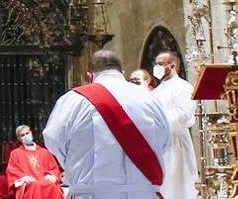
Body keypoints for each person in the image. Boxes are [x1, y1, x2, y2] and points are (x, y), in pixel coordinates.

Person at [43, 49, 170, 198]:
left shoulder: (72, 100)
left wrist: (77, 164)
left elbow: (54, 140)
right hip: (143, 193)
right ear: (121, 72)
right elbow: (164, 139)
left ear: (90, 76)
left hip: (92, 193)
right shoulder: (150, 99)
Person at [151, 51, 198, 199]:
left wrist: (158, 124)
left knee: (178, 185)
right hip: (158, 144)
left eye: (160, 64)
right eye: (156, 64)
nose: (156, 67)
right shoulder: (156, 91)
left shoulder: (183, 87)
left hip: (177, 142)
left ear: (173, 65)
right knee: (163, 186)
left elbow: (182, 115)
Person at [6, 126, 64, 199]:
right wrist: (24, 178)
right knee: (35, 185)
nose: (26, 136)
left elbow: (53, 168)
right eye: (22, 135)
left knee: (52, 185)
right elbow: (13, 170)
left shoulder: (44, 152)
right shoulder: (15, 153)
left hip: (45, 180)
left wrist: (51, 175)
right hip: (29, 183)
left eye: (27, 133)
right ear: (19, 139)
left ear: (31, 133)